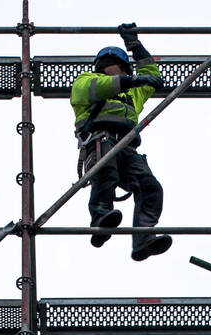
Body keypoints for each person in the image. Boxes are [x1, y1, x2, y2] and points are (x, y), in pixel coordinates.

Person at [69, 22, 171, 262]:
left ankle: (143, 238)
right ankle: (100, 219)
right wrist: (130, 80)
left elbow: (152, 76)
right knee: (107, 174)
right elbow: (98, 87)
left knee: (150, 187)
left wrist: (135, 45)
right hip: (100, 140)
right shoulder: (86, 81)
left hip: (127, 147)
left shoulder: (132, 94)